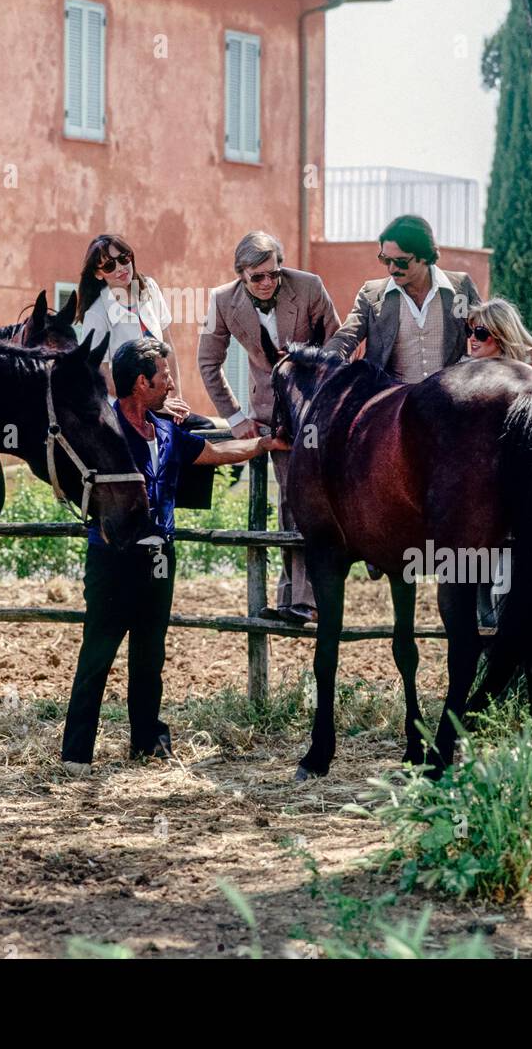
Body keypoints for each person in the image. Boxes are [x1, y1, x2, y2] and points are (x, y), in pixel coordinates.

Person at [61, 338, 287, 771]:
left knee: (150, 656)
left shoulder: (165, 430)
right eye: (163, 376)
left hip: (160, 556)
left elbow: (214, 453)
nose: (170, 383)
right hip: (113, 556)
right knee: (98, 654)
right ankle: (76, 755)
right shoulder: (102, 426)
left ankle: (147, 742)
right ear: (142, 381)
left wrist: (261, 446)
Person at [197, 230, 340, 624]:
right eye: (257, 276)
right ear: (241, 274)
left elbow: (337, 341)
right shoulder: (221, 301)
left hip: (318, 408)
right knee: (293, 502)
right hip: (271, 416)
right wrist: (236, 416)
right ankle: (300, 600)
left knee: (323, 498)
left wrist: (314, 380)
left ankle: (311, 595)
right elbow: (208, 362)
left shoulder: (309, 287)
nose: (267, 283)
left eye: (273, 274)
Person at [323, 213, 482, 382]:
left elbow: (486, 335)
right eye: (385, 260)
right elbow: (347, 336)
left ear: (425, 257)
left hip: (450, 398)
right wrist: (322, 364)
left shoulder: (460, 288)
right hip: (393, 402)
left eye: (401, 261)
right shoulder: (372, 294)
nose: (391, 269)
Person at [76, 233, 189, 421]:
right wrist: (150, 402)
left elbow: (167, 347)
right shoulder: (96, 314)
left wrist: (176, 396)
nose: (121, 268)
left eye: (123, 258)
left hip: (161, 403)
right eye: (109, 265)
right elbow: (101, 372)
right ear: (97, 273)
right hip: (125, 412)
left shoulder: (150, 288)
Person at [466, 298, 532, 372]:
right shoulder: (467, 367)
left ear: (501, 334)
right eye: (470, 331)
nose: (472, 338)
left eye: (480, 332)